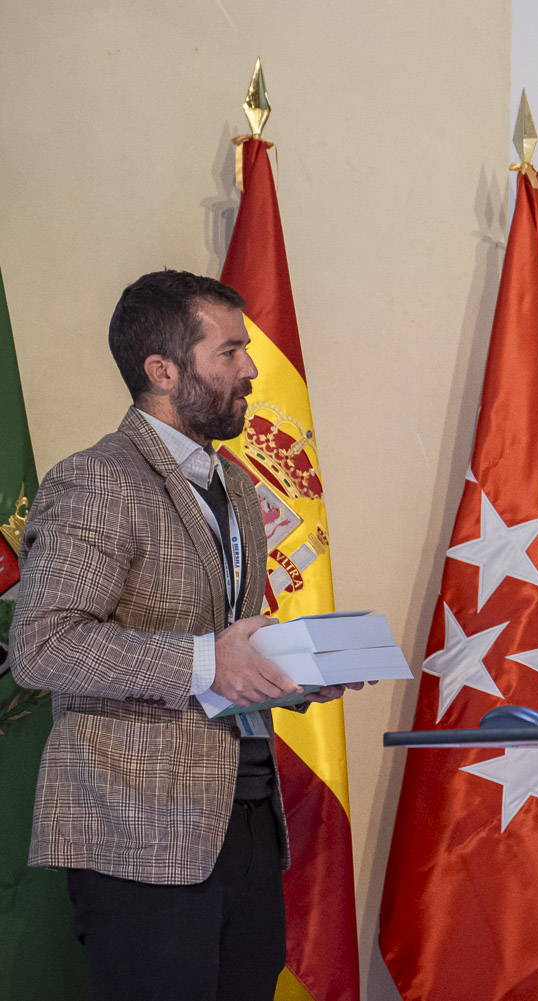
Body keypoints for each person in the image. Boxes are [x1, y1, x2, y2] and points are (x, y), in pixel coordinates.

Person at [12, 270, 356, 1001]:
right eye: (230, 351)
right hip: (141, 835)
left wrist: (290, 672)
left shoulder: (235, 485)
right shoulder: (98, 480)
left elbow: (225, 648)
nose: (251, 368)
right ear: (162, 371)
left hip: (248, 820)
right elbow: (42, 646)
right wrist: (206, 660)